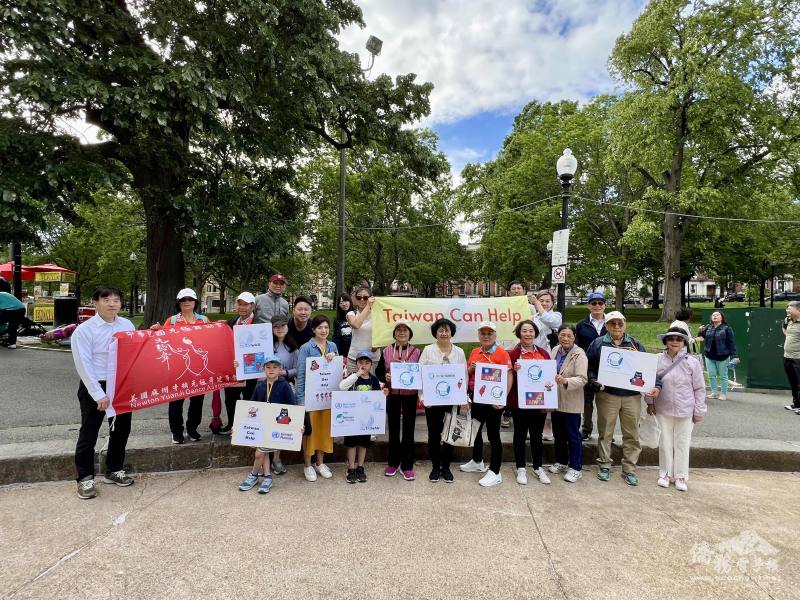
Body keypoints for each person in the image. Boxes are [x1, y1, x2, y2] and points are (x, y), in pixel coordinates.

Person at [71, 287, 136, 499]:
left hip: (120, 385)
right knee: (89, 432)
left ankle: (114, 469)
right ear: (95, 302)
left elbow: (135, 352)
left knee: (121, 429)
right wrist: (98, 393)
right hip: (95, 384)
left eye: (116, 300)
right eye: (106, 300)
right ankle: (85, 478)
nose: (112, 304)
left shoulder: (126, 325)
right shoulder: (85, 330)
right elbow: (83, 364)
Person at [586, 310, 654, 487]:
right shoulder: (598, 343)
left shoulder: (635, 344)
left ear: (625, 324)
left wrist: (650, 385)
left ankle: (629, 468)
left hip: (631, 396)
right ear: (607, 325)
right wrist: (593, 380)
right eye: (612, 323)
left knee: (632, 433)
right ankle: (604, 464)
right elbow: (590, 367)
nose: (616, 326)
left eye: (620, 323)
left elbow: (645, 368)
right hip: (607, 394)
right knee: (605, 432)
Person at [646, 327, 706, 492]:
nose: (674, 342)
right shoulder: (657, 360)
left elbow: (699, 388)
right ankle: (665, 473)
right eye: (671, 338)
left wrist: (699, 410)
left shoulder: (691, 362)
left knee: (682, 443)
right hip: (663, 407)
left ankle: (680, 476)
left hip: (686, 408)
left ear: (684, 342)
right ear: (665, 341)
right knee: (665, 442)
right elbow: (649, 382)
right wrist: (650, 402)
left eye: (679, 339)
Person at [151, 288, 210, 444]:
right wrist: (156, 331)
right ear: (178, 303)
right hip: (178, 368)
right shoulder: (171, 321)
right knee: (176, 400)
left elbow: (212, 340)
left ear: (195, 302)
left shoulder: (204, 320)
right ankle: (176, 431)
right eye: (183, 300)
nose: (187, 302)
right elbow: (161, 341)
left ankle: (192, 428)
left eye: (190, 299)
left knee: (197, 400)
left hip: (198, 367)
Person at [237, 354, 298, 494]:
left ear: (280, 369)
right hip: (260, 426)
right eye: (268, 367)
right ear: (263, 369)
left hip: (277, 427)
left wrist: (296, 426)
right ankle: (268, 477)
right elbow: (252, 406)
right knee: (263, 452)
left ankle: (253, 475)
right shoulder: (260, 385)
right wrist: (241, 423)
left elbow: (293, 408)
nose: (271, 370)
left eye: (275, 367)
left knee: (259, 454)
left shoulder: (285, 386)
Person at [462, 321, 512, 487]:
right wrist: (471, 369)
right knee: (475, 431)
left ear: (495, 336)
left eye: (489, 333)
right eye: (483, 333)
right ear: (479, 336)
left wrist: (502, 398)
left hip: (493, 401)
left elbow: (509, 376)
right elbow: (467, 372)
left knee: (493, 435)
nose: (486, 336)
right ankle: (477, 461)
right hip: (477, 398)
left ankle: (495, 471)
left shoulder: (502, 353)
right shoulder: (475, 351)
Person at [419, 317, 466, 483]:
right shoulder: (428, 350)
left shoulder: (459, 352)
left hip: (452, 401)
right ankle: (435, 466)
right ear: (435, 333)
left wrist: (462, 397)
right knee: (434, 434)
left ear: (451, 332)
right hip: (433, 401)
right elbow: (421, 375)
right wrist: (424, 398)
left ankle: (445, 467)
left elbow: (463, 376)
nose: (444, 333)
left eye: (447, 330)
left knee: (450, 434)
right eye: (441, 330)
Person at [295, 315, 338, 482]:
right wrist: (300, 400)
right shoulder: (306, 348)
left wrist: (334, 357)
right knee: (310, 432)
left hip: (327, 397)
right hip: (311, 397)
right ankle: (307, 464)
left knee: (324, 430)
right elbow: (300, 374)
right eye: (320, 327)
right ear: (313, 330)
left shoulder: (333, 345)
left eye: (326, 327)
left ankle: (320, 463)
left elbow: (337, 370)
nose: (324, 330)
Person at [376, 320, 421, 480]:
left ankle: (407, 465)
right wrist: (385, 376)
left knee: (409, 430)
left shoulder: (417, 351)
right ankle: (393, 463)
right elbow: (379, 371)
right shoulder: (387, 350)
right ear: (394, 333)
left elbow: (421, 373)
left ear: (410, 334)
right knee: (393, 429)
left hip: (410, 395)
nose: (402, 333)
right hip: (393, 394)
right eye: (399, 330)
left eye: (405, 330)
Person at [507, 320, 550, 485]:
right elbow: (508, 376)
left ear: (535, 334)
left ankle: (538, 467)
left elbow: (548, 377)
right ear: (519, 333)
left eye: (531, 331)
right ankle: (521, 468)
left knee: (537, 435)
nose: (528, 334)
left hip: (539, 402)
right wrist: (515, 371)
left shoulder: (544, 353)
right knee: (519, 434)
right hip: (520, 403)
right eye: (524, 331)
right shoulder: (513, 355)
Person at [339, 351, 388, 483]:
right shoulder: (352, 377)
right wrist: (357, 375)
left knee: (363, 444)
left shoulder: (373, 380)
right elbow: (342, 387)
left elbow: (378, 399)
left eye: (367, 363)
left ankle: (360, 467)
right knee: (351, 444)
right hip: (351, 418)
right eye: (361, 362)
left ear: (371, 365)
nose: (364, 365)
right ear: (356, 364)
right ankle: (351, 468)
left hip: (366, 419)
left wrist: (384, 394)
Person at [548, 324, 588, 483]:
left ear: (574, 337)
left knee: (572, 435)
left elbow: (582, 379)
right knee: (558, 434)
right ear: (558, 335)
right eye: (562, 335)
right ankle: (562, 462)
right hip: (555, 400)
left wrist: (565, 381)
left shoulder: (580, 354)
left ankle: (576, 467)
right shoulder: (554, 350)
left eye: (569, 336)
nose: (565, 338)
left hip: (571, 401)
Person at [221, 292, 259, 435]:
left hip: (251, 369)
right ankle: (232, 424)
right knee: (230, 398)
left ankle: (248, 427)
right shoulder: (231, 322)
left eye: (246, 304)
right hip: (233, 368)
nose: (242, 307)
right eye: (240, 304)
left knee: (249, 398)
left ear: (252, 306)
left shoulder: (259, 323)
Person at [269, 314, 299, 475]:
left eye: (282, 326)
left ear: (287, 327)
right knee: (265, 422)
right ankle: (263, 459)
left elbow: (298, 369)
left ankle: (276, 458)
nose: (279, 329)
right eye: (276, 326)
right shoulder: (265, 345)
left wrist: (285, 372)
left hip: (284, 388)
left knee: (280, 423)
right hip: (265, 388)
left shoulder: (293, 347)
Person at [576, 292, 607, 440]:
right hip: (587, 367)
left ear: (604, 305)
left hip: (608, 369)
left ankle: (606, 432)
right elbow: (577, 346)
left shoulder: (612, 322)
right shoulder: (582, 325)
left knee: (606, 403)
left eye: (600, 303)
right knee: (587, 402)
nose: (597, 306)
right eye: (593, 303)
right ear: (588, 305)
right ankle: (586, 429)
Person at [696, 311, 738, 401]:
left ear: (722, 318)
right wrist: (700, 331)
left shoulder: (727, 328)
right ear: (711, 318)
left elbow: (732, 343)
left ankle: (723, 394)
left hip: (723, 356)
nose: (715, 316)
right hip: (709, 355)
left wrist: (735, 356)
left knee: (723, 376)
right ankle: (714, 392)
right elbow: (701, 338)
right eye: (713, 315)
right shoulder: (708, 327)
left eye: (717, 315)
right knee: (711, 375)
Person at [346, 286, 379, 374]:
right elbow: (356, 325)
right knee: (352, 385)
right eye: (359, 297)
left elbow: (383, 332)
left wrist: (377, 345)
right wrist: (368, 306)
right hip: (354, 358)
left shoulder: (377, 314)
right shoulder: (351, 313)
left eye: (365, 298)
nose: (362, 300)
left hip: (371, 359)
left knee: (370, 386)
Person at [782, 301, 800, 413]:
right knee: (793, 382)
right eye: (787, 308)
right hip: (787, 356)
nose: (787, 311)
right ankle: (796, 404)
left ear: (798, 310)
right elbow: (784, 330)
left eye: (790, 309)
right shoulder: (787, 321)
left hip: (798, 358)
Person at [0, 279, 25, 349]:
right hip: (21, 309)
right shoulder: (6, 294)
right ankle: (12, 343)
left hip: (10, 310)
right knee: (13, 326)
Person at [333, 293, 354, 360]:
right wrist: (336, 353)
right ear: (339, 305)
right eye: (341, 302)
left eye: (345, 301)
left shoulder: (356, 315)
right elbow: (336, 337)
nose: (344, 304)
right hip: (343, 354)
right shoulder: (337, 320)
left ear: (350, 302)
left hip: (356, 352)